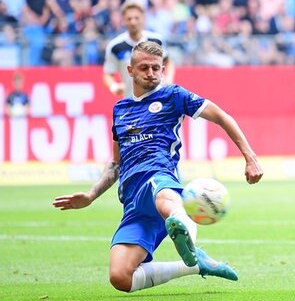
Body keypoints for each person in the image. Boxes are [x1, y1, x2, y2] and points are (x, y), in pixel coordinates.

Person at [53, 41, 263, 293]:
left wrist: (249, 157)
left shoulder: (173, 96)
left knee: (165, 199)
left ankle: (182, 224)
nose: (151, 73)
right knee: (120, 277)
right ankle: (195, 264)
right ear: (130, 71)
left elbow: (221, 115)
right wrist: (90, 195)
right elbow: (115, 164)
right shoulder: (120, 109)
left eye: (156, 67)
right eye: (144, 68)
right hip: (132, 201)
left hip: (159, 177)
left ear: (163, 69)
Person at [103, 1, 175, 98]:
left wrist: (169, 79)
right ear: (123, 20)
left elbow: (168, 61)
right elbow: (107, 73)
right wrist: (114, 86)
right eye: (129, 19)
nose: (133, 22)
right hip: (133, 101)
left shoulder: (156, 40)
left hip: (159, 98)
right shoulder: (115, 46)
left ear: (143, 19)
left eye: (136, 18)